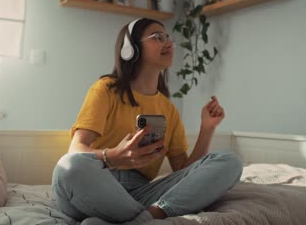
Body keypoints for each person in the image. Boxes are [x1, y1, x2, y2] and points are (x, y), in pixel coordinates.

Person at [52, 18, 243, 225]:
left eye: (168, 38)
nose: (168, 43)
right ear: (130, 49)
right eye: (157, 37)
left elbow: (183, 170)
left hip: (143, 193)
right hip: (97, 183)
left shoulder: (169, 109)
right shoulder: (105, 89)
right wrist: (114, 157)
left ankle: (140, 218)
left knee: (229, 162)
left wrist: (207, 129)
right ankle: (144, 218)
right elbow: (77, 149)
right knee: (69, 166)